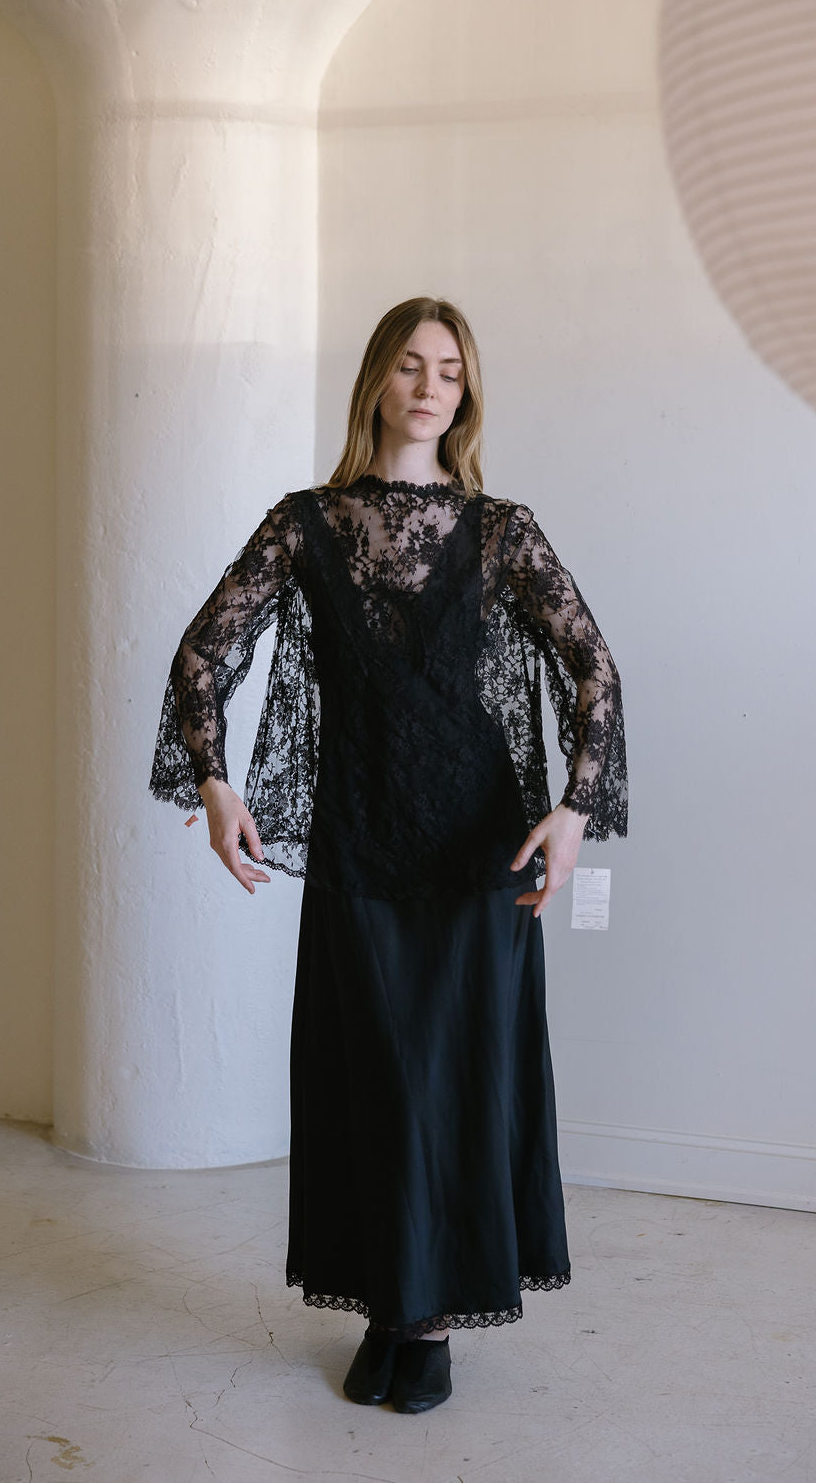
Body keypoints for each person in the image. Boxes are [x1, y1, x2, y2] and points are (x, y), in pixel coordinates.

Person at [149, 295, 628, 1414]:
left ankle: (431, 1322)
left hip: (479, 846)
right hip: (360, 839)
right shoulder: (305, 523)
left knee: (454, 1077)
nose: (429, 386)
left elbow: (593, 668)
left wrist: (574, 809)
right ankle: (387, 1301)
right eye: (411, 364)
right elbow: (202, 653)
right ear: (376, 378)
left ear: (467, 394)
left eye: (450, 370)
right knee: (369, 1075)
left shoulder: (501, 529)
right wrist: (214, 783)